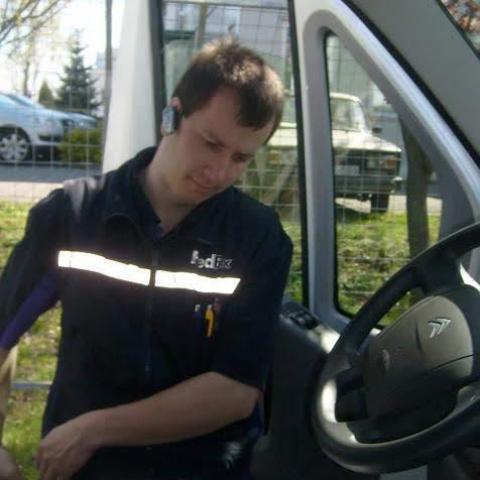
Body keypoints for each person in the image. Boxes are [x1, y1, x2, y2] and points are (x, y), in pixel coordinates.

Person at [0, 38, 292, 480]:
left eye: (240, 158)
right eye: (210, 143)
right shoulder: (73, 215)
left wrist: (92, 430)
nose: (218, 172)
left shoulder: (258, 238)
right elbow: (4, 329)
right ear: (171, 116)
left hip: (202, 467)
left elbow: (235, 391)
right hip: (89, 470)